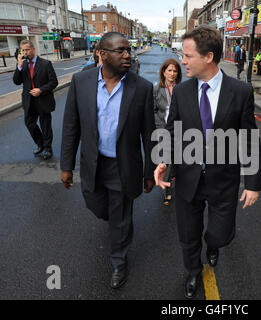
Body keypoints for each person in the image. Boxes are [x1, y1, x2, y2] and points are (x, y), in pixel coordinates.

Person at [154, 26, 261, 299]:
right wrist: (164, 160)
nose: (183, 62)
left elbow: (249, 138)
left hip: (223, 181)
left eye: (188, 56)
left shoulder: (240, 91)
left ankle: (213, 245)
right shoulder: (181, 92)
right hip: (187, 179)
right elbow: (170, 131)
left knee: (218, 234)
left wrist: (253, 183)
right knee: (188, 236)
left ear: (209, 57)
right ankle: (192, 272)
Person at [60, 32, 156, 289]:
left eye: (129, 50)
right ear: (102, 54)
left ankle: (119, 261)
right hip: (94, 163)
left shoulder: (142, 88)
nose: (128, 55)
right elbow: (71, 126)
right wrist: (66, 166)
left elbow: (149, 134)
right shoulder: (81, 82)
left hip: (124, 165)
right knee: (98, 207)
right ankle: (113, 222)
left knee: (121, 216)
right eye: (120, 50)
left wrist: (150, 171)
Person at [13, 40, 58, 161]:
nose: (25, 52)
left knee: (45, 126)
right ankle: (41, 144)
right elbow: (16, 81)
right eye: (23, 50)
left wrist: (41, 90)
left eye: (27, 50)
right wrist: (19, 66)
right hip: (29, 101)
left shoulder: (45, 64)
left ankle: (48, 149)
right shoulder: (23, 64)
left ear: (33, 49)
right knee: (30, 124)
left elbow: (54, 82)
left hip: (43, 99)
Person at [153, 59, 182, 205]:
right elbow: (153, 111)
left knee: (175, 161)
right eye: (169, 70)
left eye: (175, 71)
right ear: (163, 72)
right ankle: (167, 191)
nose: (172, 74)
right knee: (165, 160)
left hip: (178, 131)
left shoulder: (182, 89)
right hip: (162, 130)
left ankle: (171, 180)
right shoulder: (156, 89)